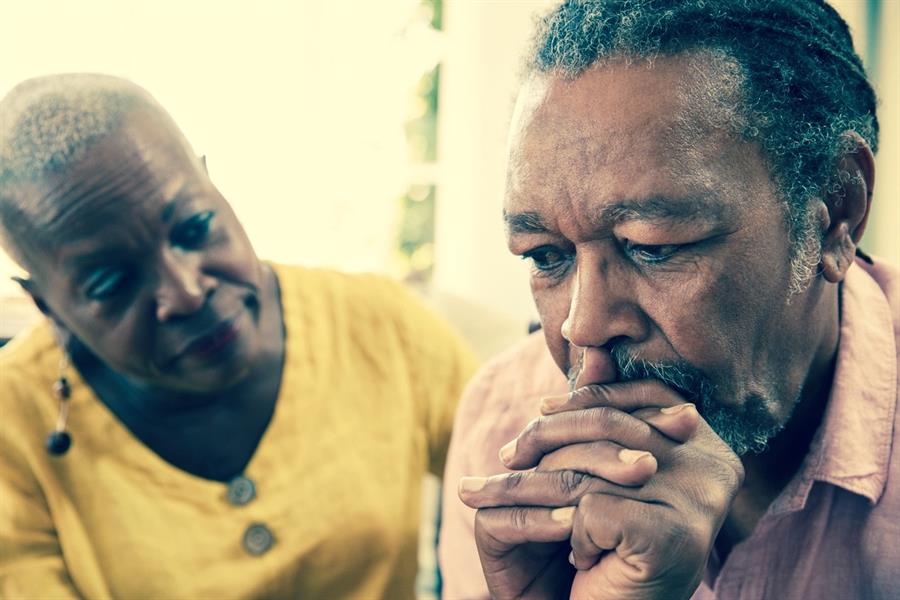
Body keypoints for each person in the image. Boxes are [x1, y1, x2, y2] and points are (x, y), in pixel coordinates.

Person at [439, 0, 899, 598]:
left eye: (653, 247)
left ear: (836, 211)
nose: (583, 326)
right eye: (546, 256)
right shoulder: (502, 433)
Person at [0, 73, 477, 599]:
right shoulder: (11, 425)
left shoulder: (383, 327)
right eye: (112, 282)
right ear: (49, 307)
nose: (185, 292)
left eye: (194, 227)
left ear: (215, 190)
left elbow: (527, 503)